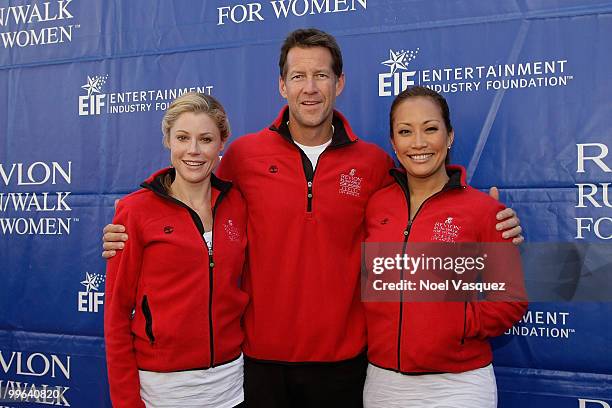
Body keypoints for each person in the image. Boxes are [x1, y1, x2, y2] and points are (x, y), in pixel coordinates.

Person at [102, 29, 523, 407]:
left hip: (346, 363)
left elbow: (424, 206)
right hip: (258, 362)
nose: (310, 88)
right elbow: (194, 204)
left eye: (321, 75)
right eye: (298, 76)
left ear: (339, 83)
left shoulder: (372, 163)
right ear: (282, 85)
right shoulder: (244, 156)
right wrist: (132, 225)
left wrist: (487, 220)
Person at [362, 86, 528, 407]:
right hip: (383, 382)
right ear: (394, 143)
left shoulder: (484, 210)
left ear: (449, 136)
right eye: (406, 131)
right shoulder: (376, 206)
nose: (419, 142)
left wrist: (457, 323)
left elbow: (511, 300)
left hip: (458, 385)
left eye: (431, 129)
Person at [104, 92, 248, 408]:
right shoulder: (134, 212)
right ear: (168, 140)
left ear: (222, 143)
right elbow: (115, 316)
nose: (193, 151)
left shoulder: (237, 204)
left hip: (231, 386)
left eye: (206, 139)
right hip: (163, 390)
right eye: (182, 137)